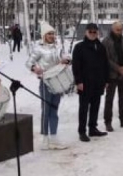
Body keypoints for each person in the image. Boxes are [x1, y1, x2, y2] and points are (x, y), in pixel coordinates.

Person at [27, 21, 71, 150]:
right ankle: (44, 139)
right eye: (49, 34)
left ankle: (54, 138)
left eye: (53, 33)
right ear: (44, 35)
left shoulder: (58, 47)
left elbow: (66, 58)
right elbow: (29, 63)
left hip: (57, 82)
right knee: (46, 111)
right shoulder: (39, 48)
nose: (52, 36)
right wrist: (35, 68)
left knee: (54, 110)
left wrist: (66, 60)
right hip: (46, 83)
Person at [72, 23, 110, 142]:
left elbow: (105, 64)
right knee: (83, 108)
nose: (93, 34)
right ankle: (82, 131)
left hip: (98, 82)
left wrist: (106, 80)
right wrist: (78, 81)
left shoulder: (100, 46)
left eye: (95, 32)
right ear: (86, 32)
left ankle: (93, 128)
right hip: (85, 83)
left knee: (95, 106)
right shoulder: (79, 47)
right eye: (90, 32)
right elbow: (76, 66)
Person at [102, 21, 123, 130]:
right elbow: (105, 59)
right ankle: (108, 122)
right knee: (109, 99)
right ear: (112, 29)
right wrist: (118, 68)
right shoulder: (106, 41)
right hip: (112, 74)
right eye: (117, 30)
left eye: (121, 30)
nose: (119, 32)